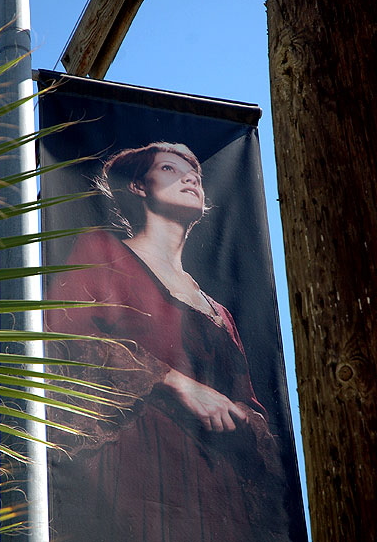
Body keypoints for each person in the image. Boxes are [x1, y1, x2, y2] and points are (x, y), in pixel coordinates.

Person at [45, 142, 290, 542]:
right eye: (170, 169)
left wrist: (238, 412)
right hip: (132, 470)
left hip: (213, 490)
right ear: (139, 187)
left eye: (194, 172)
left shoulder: (219, 311)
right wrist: (178, 383)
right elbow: (62, 337)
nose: (191, 177)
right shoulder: (101, 252)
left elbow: (255, 409)